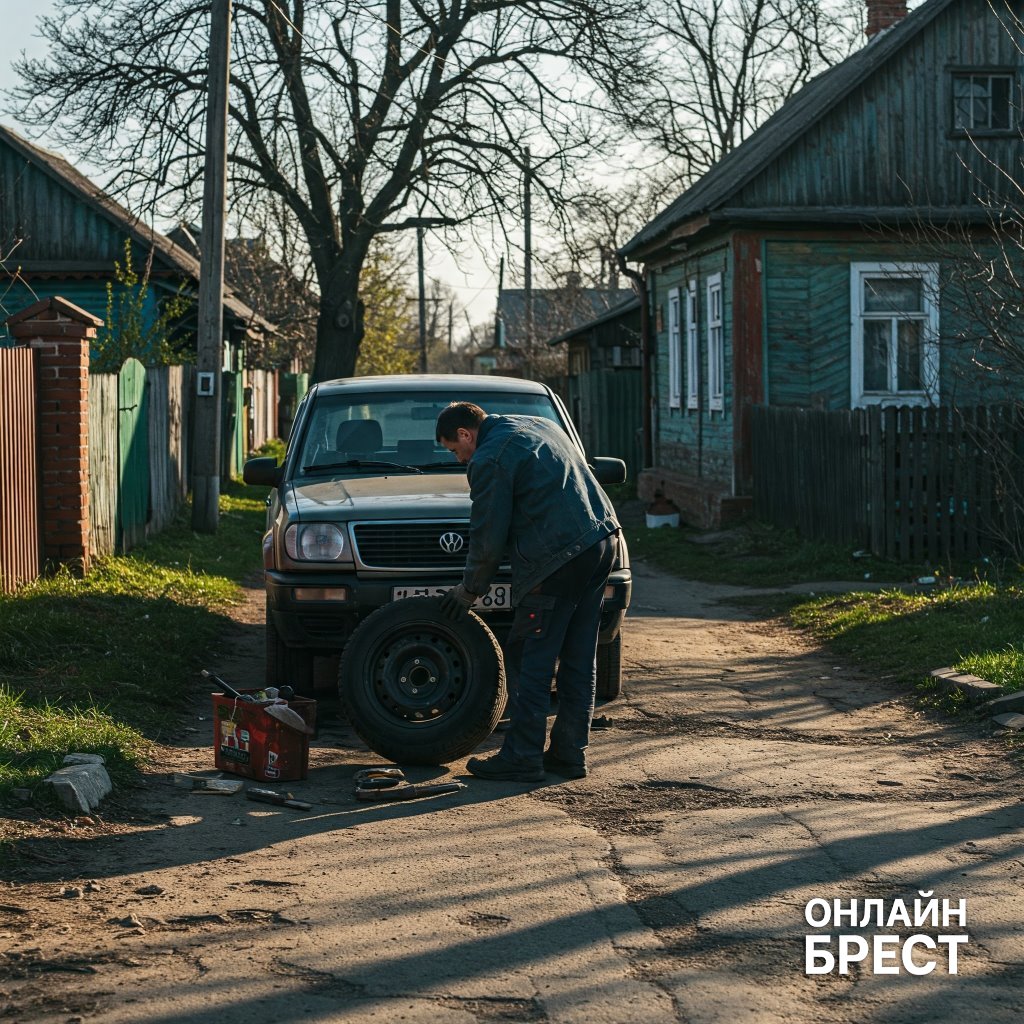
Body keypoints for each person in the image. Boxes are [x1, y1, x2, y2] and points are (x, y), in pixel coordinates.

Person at [435, 401, 620, 782]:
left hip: (557, 558)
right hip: (601, 542)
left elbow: (487, 536)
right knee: (579, 658)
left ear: (466, 434)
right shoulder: (536, 424)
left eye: (455, 450)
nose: (458, 459)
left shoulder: (489, 459)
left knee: (531, 658)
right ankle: (570, 755)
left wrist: (468, 591)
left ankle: (522, 756)